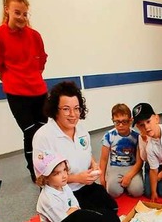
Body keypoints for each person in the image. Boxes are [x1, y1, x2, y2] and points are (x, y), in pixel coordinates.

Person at [0, 0, 48, 181]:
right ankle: (34, 171)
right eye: (17, 13)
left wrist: (32, 77)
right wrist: (12, 80)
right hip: (17, 94)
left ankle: (48, 166)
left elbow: (41, 60)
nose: (21, 17)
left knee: (44, 131)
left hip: (38, 90)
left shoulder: (34, 35)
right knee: (30, 132)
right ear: (7, 10)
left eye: (24, 14)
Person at [33, 81, 117, 211]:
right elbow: (42, 178)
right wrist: (76, 178)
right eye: (66, 109)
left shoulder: (82, 130)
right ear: (55, 110)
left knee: (112, 209)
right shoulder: (43, 136)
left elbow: (86, 153)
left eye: (77, 108)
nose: (73, 114)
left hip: (85, 185)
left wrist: (93, 164)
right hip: (63, 193)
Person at [34, 150, 80, 222]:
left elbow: (75, 203)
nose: (64, 176)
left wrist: (73, 210)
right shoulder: (48, 199)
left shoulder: (63, 185)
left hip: (74, 221)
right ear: (46, 178)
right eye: (57, 173)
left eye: (64, 170)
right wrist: (74, 211)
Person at [99, 103, 144, 198]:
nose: (120, 125)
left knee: (137, 191)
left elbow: (140, 161)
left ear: (131, 121)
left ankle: (129, 185)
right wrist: (102, 178)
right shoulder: (108, 136)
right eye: (117, 122)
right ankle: (120, 184)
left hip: (132, 167)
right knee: (112, 192)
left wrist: (129, 176)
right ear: (113, 121)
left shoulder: (137, 136)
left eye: (124, 122)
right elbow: (103, 159)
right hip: (115, 167)